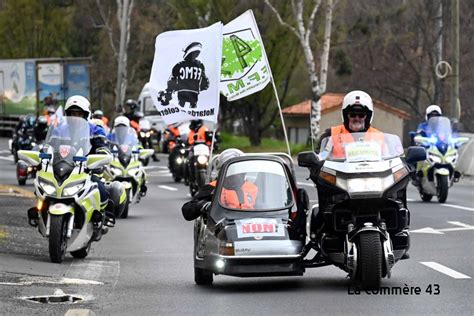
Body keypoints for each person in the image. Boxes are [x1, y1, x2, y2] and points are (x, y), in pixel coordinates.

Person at [316, 90, 383, 158]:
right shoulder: (331, 134)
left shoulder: (379, 136)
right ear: (346, 116)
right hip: (338, 168)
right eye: (353, 114)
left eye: (361, 115)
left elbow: (388, 159)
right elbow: (321, 156)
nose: (357, 118)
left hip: (371, 168)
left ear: (367, 117)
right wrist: (315, 158)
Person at [181, 148, 244, 221]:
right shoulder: (213, 188)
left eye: (240, 169)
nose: (237, 174)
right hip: (225, 226)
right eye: (232, 170)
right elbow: (187, 210)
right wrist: (204, 204)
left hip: (254, 227)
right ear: (222, 171)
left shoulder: (253, 187)